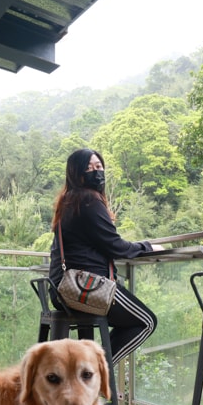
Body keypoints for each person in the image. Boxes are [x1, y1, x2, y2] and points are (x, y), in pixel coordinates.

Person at [49, 148, 163, 366]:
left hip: (62, 289)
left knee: (133, 320)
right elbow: (115, 246)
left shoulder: (68, 201)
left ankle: (87, 368)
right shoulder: (88, 200)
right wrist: (148, 246)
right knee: (146, 322)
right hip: (88, 287)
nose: (96, 172)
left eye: (99, 166)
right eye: (89, 168)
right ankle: (94, 371)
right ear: (76, 173)